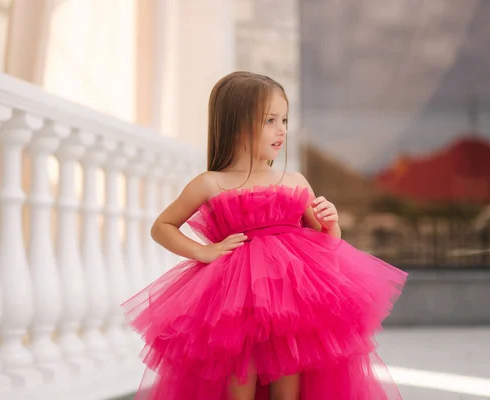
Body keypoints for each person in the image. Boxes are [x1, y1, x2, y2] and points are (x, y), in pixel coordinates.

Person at [122, 71, 407, 400]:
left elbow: (326, 246)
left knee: (289, 373)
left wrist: (331, 224)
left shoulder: (294, 180)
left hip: (293, 302)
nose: (282, 129)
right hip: (235, 300)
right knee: (242, 372)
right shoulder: (211, 182)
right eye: (270, 120)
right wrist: (205, 252)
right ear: (237, 123)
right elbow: (162, 226)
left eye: (284, 119)